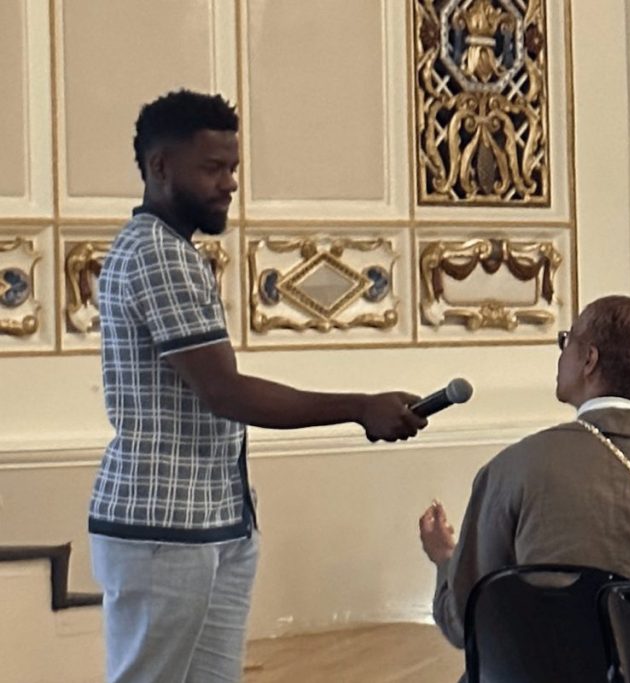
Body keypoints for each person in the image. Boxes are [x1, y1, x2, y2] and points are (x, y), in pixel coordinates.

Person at [88, 90, 427, 683]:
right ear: (161, 166)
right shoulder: (156, 254)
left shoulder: (176, 253)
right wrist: (358, 407)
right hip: (163, 529)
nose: (230, 184)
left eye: (234, 168)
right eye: (213, 168)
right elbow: (226, 392)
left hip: (212, 518)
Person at [418, 296, 630, 650]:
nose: (561, 354)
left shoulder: (514, 468)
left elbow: (466, 622)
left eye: (566, 341)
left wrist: (444, 558)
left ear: (589, 359)